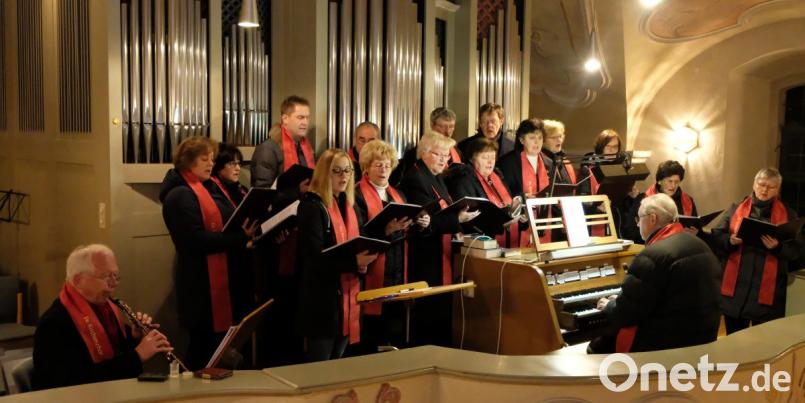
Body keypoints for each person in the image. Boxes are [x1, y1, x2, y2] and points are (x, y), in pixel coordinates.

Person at [159, 136, 258, 369]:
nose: (210, 164)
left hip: (215, 281)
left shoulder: (204, 188)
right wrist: (238, 238)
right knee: (203, 348)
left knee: (215, 348)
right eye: (204, 159)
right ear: (187, 161)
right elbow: (193, 241)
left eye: (212, 159)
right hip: (200, 286)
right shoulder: (180, 195)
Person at [589, 194, 722, 353]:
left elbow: (626, 314)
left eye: (639, 219)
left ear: (652, 219)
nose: (637, 224)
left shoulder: (652, 255)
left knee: (597, 346)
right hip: (701, 337)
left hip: (665, 344)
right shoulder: (699, 244)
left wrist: (610, 305)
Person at [33, 244, 173, 390]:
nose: (113, 285)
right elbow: (74, 383)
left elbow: (117, 356)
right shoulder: (53, 324)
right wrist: (137, 356)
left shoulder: (105, 310)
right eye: (106, 277)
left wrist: (134, 337)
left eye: (116, 276)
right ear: (78, 280)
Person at [295, 149, 379, 362]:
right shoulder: (311, 206)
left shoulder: (347, 204)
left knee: (339, 363)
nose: (344, 177)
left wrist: (364, 260)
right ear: (324, 173)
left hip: (347, 295)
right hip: (323, 301)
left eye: (348, 171)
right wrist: (354, 262)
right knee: (321, 366)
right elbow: (313, 258)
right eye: (337, 171)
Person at [400, 133, 479, 347]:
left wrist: (459, 214)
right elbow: (426, 220)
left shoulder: (435, 176)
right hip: (424, 254)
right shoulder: (415, 178)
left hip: (439, 251)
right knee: (428, 313)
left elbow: (441, 211)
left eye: (447, 155)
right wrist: (457, 218)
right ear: (425, 153)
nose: (445, 160)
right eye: (440, 154)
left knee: (440, 309)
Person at [355, 140, 430, 350]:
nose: (383, 169)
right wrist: (385, 231)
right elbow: (357, 234)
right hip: (371, 269)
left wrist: (421, 223)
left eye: (387, 164)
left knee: (393, 328)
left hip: (397, 268)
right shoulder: (356, 195)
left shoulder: (398, 194)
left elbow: (406, 229)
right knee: (372, 332)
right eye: (378, 164)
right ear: (366, 167)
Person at [711, 168, 802, 334]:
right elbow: (717, 237)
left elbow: (796, 252)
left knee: (762, 346)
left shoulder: (788, 215)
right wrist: (729, 241)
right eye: (761, 185)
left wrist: (778, 248)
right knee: (734, 343)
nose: (765, 190)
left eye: (771, 187)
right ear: (754, 185)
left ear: (778, 190)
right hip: (736, 293)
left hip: (767, 297)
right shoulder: (736, 209)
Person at [447, 137, 522, 248]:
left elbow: (508, 205)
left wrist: (520, 217)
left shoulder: (498, 177)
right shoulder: (463, 180)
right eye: (485, 157)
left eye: (493, 157)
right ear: (472, 159)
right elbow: (470, 218)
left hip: (506, 240)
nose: (490, 162)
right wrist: (501, 224)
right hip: (477, 244)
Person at [211, 143, 256, 324]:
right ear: (219, 166)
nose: (238, 168)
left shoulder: (241, 189)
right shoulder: (213, 190)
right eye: (231, 163)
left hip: (245, 257)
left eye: (239, 163)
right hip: (227, 260)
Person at [496, 118, 549, 246]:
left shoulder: (550, 163)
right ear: (521, 140)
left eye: (540, 138)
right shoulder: (507, 163)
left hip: (544, 222)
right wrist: (522, 197)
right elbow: (502, 193)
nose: (537, 142)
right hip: (518, 222)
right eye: (532, 138)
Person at [578, 129, 638, 237]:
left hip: (617, 222)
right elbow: (581, 199)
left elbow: (624, 204)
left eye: (615, 147)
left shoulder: (622, 168)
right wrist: (596, 207)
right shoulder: (588, 168)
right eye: (608, 147)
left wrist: (631, 196)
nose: (612, 150)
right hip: (595, 221)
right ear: (601, 148)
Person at [622, 160, 698, 244]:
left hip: (682, 245)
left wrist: (695, 233)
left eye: (676, 182)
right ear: (659, 181)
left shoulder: (687, 200)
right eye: (669, 181)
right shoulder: (643, 199)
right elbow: (630, 230)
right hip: (653, 246)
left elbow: (696, 226)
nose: (673, 186)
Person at [250, 96, 316, 191]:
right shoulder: (268, 149)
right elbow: (263, 192)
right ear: (285, 119)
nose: (305, 122)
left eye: (307, 118)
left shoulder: (306, 148)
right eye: (300, 117)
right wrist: (297, 191)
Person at [392, 107, 462, 186]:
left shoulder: (457, 151)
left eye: (451, 126)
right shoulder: (417, 152)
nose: (448, 132)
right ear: (432, 125)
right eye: (443, 126)